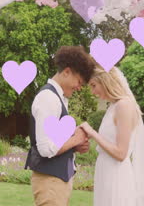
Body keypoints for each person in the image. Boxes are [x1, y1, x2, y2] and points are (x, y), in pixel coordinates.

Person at [80, 65, 144, 206]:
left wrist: (93, 133)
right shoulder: (113, 107)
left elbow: (121, 153)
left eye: (94, 85)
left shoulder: (124, 105)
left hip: (116, 176)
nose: (93, 92)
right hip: (105, 173)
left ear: (105, 80)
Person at [24, 46, 96, 206]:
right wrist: (75, 139)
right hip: (50, 182)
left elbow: (54, 142)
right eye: (79, 82)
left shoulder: (58, 98)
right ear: (67, 72)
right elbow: (45, 149)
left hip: (57, 181)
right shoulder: (48, 98)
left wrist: (74, 146)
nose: (79, 88)